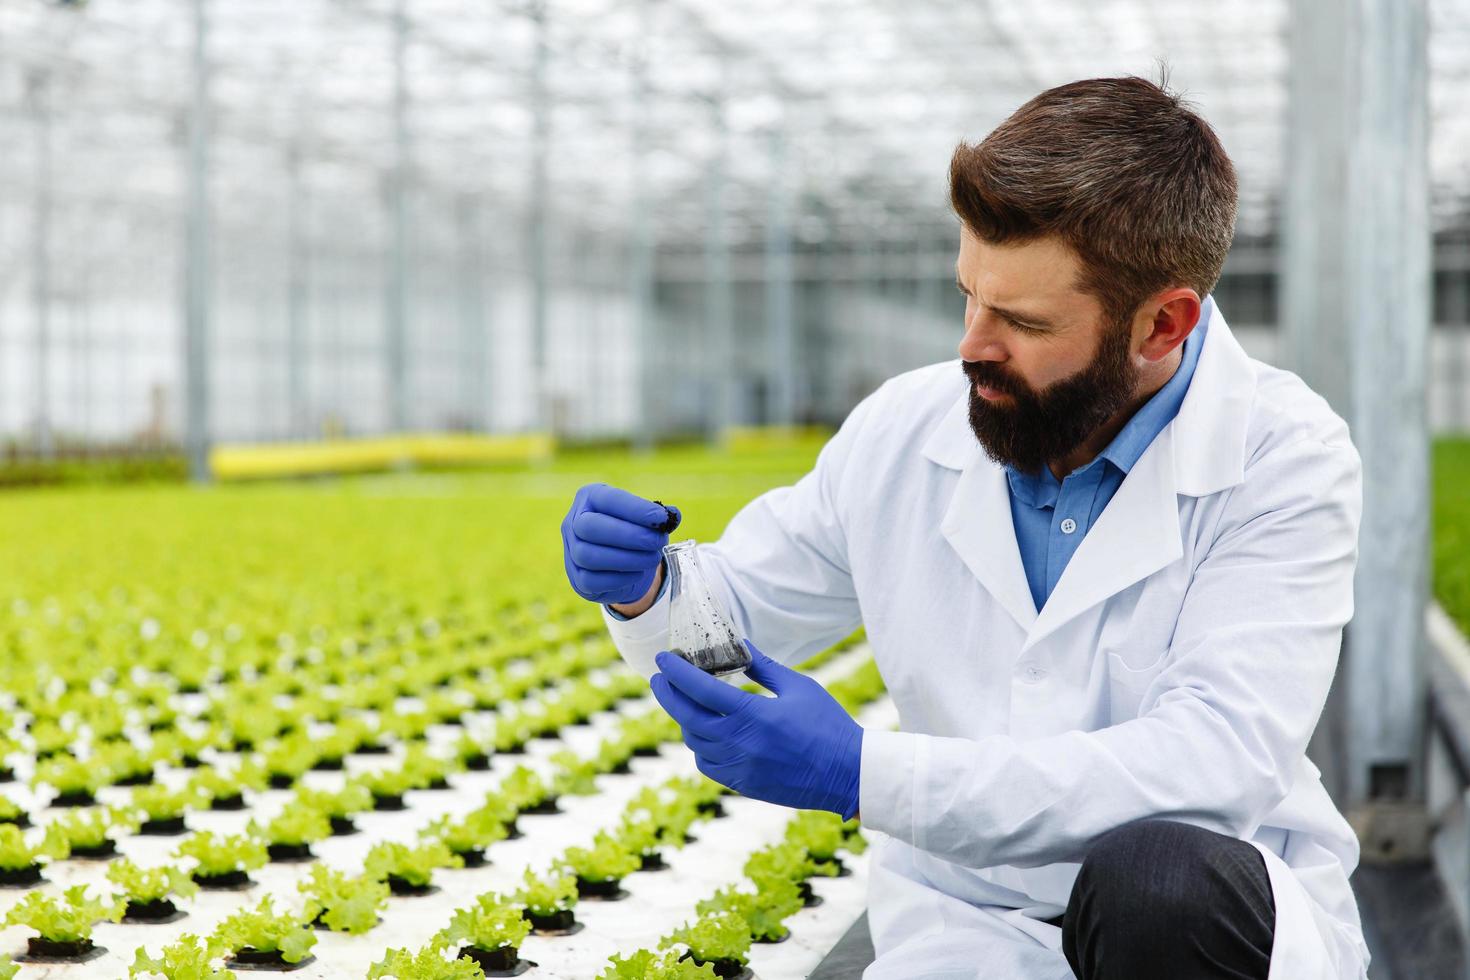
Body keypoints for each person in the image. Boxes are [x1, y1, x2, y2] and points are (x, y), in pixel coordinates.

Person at [560, 74, 1369, 980]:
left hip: (1191, 932)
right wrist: (642, 587)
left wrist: (865, 773)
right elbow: (732, 617)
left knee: (1156, 883)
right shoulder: (907, 430)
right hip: (964, 927)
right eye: (968, 297)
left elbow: (1208, 767)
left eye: (1020, 320)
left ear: (1162, 325)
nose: (972, 346)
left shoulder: (1282, 458)